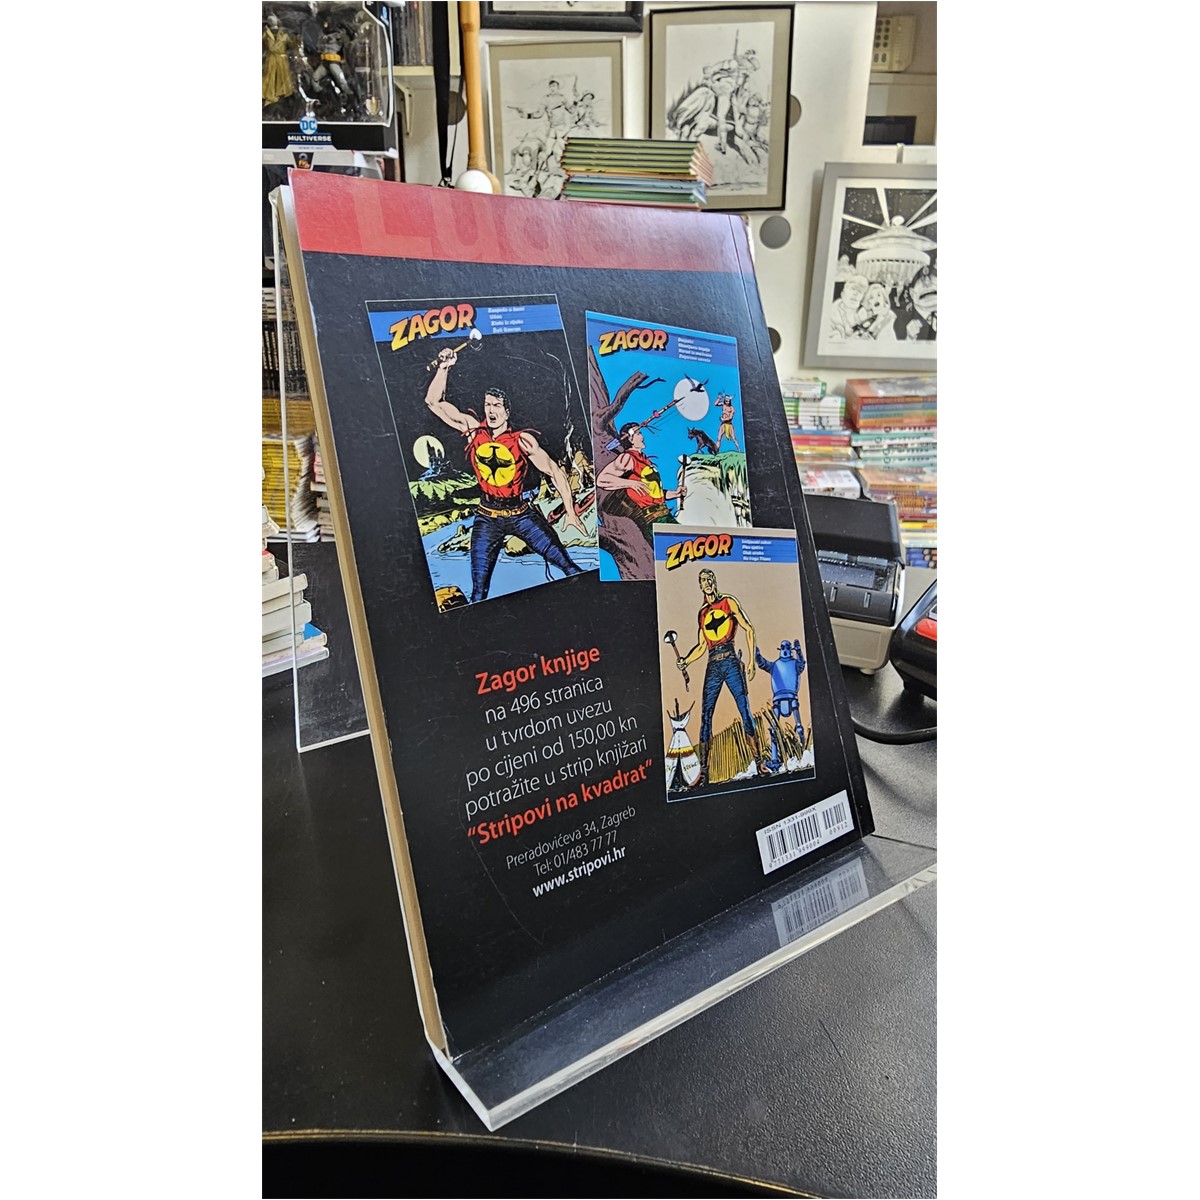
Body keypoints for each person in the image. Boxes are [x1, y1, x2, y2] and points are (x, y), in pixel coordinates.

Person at [425, 346, 587, 603]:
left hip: (521, 515)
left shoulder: (521, 440)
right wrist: (444, 367)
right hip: (487, 518)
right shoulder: (473, 430)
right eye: (487, 404)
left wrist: (570, 511)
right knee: (479, 593)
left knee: (570, 569)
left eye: (497, 405)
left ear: (507, 411)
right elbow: (434, 402)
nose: (491, 410)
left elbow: (554, 471)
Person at [675, 568, 770, 783]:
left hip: (730, 660)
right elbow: (702, 645)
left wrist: (752, 662)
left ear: (714, 581)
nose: (707, 583)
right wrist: (686, 661)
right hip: (713, 664)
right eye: (703, 581)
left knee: (744, 709)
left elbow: (749, 628)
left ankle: (759, 762)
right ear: (700, 586)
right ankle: (704, 772)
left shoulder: (728, 602)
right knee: (706, 715)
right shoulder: (702, 613)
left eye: (709, 579)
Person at [596, 423, 685, 543]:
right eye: (638, 433)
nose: (642, 436)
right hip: (652, 518)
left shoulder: (644, 460)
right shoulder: (627, 458)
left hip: (664, 514)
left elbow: (652, 492)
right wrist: (630, 483)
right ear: (630, 439)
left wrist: (674, 494)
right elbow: (602, 479)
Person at [754, 639, 807, 769]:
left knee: (799, 727)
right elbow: (763, 664)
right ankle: (775, 760)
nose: (785, 650)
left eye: (787, 647)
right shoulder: (775, 665)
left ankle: (805, 754)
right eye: (783, 647)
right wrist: (757, 656)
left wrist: (799, 652)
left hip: (791, 696)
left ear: (791, 649)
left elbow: (802, 664)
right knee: (774, 730)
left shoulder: (795, 664)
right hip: (778, 699)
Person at [262, 14, 296, 108]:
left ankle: (281, 94)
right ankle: (270, 95)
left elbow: (292, 45)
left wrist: (296, 38)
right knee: (270, 76)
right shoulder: (266, 34)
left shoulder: (284, 35)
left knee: (282, 77)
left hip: (281, 59)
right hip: (271, 58)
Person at [827, 273, 869, 340]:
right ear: (843, 293)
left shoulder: (863, 314)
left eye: (860, 291)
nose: (855, 293)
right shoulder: (831, 312)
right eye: (853, 289)